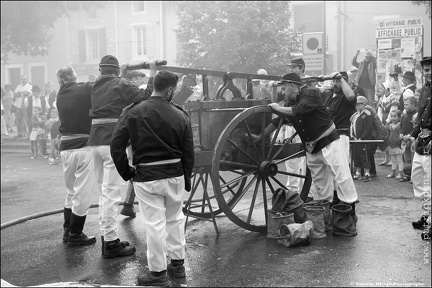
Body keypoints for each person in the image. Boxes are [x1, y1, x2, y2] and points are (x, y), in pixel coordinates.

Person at [111, 70, 194, 285]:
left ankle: (157, 274)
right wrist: (186, 178)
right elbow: (188, 151)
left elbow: (116, 146)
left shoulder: (133, 111)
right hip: (174, 173)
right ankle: (178, 266)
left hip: (146, 175)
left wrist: (127, 172)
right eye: (174, 90)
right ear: (169, 89)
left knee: (154, 224)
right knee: (175, 219)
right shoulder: (181, 114)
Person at [250, 73, 358, 227]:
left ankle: (348, 218)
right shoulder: (290, 103)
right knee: (321, 185)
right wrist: (260, 136)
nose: (283, 92)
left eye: (285, 88)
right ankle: (324, 221)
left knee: (341, 177)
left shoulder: (310, 93)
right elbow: (276, 122)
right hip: (312, 147)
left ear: (293, 87)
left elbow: (297, 110)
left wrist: (277, 108)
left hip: (329, 142)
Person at [89, 55, 156, 258]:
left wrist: (123, 73)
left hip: (95, 142)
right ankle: (110, 243)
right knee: (111, 194)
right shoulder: (120, 83)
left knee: (104, 193)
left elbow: (117, 88)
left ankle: (107, 237)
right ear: (116, 71)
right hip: (112, 141)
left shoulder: (95, 86)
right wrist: (152, 72)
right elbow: (145, 96)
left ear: (101, 70)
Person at [56, 66, 97, 247]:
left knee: (71, 191)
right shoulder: (84, 88)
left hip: (66, 148)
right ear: (74, 77)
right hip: (83, 147)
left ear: (60, 81)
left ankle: (67, 230)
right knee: (83, 193)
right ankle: (76, 233)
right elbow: (100, 84)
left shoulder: (60, 95)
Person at [118, 70, 148, 218]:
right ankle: (128, 204)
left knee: (136, 164)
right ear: (134, 79)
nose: (142, 81)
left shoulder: (125, 90)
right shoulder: (134, 92)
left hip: (129, 131)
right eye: (140, 79)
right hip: (135, 132)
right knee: (137, 165)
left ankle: (128, 205)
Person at [409, 56, 431, 240]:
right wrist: (413, 135)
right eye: (426, 70)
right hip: (422, 140)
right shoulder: (424, 90)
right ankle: (428, 215)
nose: (429, 72)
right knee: (418, 180)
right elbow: (421, 114)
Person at [350, 96, 374, 182]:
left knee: (365, 156)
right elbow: (352, 126)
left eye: (359, 104)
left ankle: (367, 173)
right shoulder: (355, 115)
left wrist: (362, 137)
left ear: (364, 104)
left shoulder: (367, 114)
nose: (357, 106)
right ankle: (358, 172)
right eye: (356, 104)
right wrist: (353, 136)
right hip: (356, 140)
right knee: (356, 156)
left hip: (364, 140)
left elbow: (369, 127)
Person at [28, 86, 49, 157]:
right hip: (33, 118)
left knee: (42, 136)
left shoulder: (42, 98)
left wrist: (45, 116)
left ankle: (43, 151)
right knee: (33, 137)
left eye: (37, 92)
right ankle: (34, 152)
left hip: (41, 117)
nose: (35, 93)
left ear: (39, 92)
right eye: (34, 92)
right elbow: (25, 108)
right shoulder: (29, 98)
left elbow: (47, 107)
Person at [385, 110, 404, 179]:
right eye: (391, 116)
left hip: (398, 144)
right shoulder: (390, 125)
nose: (393, 118)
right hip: (391, 144)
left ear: (399, 117)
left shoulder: (400, 125)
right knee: (393, 159)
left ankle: (400, 173)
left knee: (399, 159)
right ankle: (393, 172)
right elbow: (387, 132)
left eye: (395, 116)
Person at [399, 96, 417, 170]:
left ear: (413, 104)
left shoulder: (416, 115)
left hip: (412, 140)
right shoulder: (404, 115)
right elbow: (401, 126)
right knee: (406, 159)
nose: (405, 106)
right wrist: (401, 133)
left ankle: (413, 176)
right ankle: (407, 175)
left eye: (407, 104)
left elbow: (416, 128)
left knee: (413, 159)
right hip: (404, 140)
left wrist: (410, 135)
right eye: (404, 105)